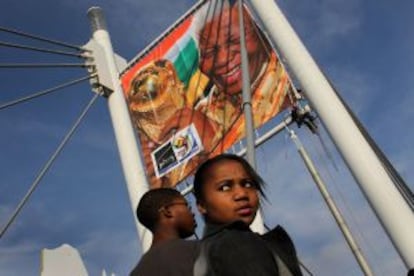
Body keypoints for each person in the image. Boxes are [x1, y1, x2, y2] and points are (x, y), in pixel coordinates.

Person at [195, 0, 293, 151]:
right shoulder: (202, 113)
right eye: (209, 52)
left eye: (234, 40)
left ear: (260, 36)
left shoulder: (288, 86)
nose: (222, 59)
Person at [192, 153, 302, 275]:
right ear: (202, 205)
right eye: (224, 188)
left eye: (248, 184)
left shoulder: (204, 256)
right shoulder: (235, 244)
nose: (242, 194)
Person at [130, 188, 199, 276]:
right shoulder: (199, 251)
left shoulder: (137, 273)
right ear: (167, 211)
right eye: (187, 206)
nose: (193, 213)